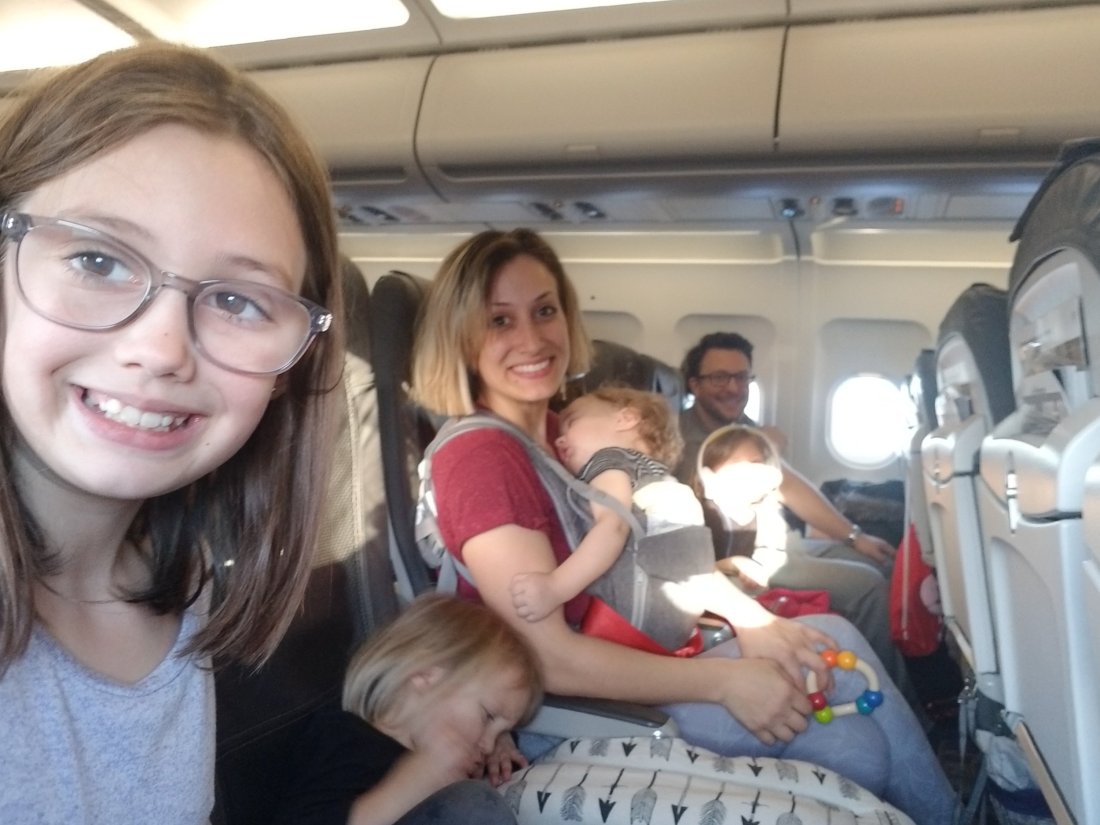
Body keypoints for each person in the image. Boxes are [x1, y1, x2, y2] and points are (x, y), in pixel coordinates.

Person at [410, 228, 955, 825]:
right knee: (847, 712)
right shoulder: (481, 457)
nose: (533, 339)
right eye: (499, 321)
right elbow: (549, 660)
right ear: (461, 337)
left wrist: (754, 620)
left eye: (545, 311)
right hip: (563, 711)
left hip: (625, 661)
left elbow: (662, 552)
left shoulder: (570, 435)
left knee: (842, 693)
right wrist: (723, 682)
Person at [0, 43, 346, 821]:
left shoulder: (187, 586)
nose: (161, 349)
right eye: (97, 260)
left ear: (289, 365)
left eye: (237, 301)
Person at [273, 593, 541, 825]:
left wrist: (503, 743)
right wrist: (415, 781)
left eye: (502, 731)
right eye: (488, 716)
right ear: (425, 675)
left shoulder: (459, 758)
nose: (487, 745)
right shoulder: (342, 738)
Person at [697, 424, 916, 698]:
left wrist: (855, 537)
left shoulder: (756, 477)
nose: (751, 470)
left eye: (757, 462)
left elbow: (785, 493)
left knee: (883, 565)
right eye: (739, 464)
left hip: (780, 546)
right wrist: (735, 563)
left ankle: (913, 664)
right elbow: (698, 566)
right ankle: (897, 693)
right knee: (869, 583)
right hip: (759, 564)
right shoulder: (707, 510)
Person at [676, 331, 897, 568]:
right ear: (695, 385)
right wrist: (765, 448)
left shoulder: (741, 427)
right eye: (719, 378)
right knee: (869, 580)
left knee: (877, 561)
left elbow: (788, 485)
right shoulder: (677, 437)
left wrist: (855, 536)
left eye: (741, 377)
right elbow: (709, 502)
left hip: (775, 537)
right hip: (740, 553)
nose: (733, 388)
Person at [509, 386, 711, 632]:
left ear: (626, 418)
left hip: (628, 623)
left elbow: (613, 526)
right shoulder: (656, 476)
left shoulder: (608, 460)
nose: (559, 440)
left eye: (571, 422)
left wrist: (554, 588)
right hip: (676, 625)